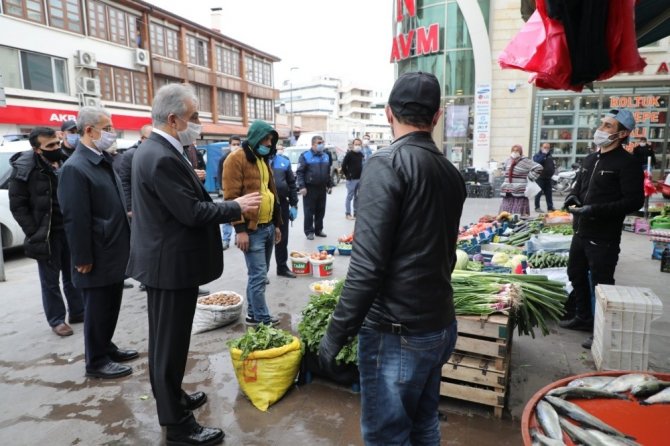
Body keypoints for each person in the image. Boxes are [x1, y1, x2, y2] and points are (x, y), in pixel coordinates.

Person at [318, 72, 466, 445]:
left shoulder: (387, 163)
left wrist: (335, 334)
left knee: (387, 436)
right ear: (436, 117)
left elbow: (367, 266)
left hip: (397, 333)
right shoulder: (450, 172)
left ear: (387, 114)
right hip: (439, 325)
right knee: (423, 424)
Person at [127, 83, 261, 446]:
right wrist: (237, 207)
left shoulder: (159, 149)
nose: (198, 124)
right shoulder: (160, 155)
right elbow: (192, 212)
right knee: (167, 346)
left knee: (168, 342)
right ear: (173, 119)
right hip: (169, 266)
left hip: (167, 263)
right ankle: (177, 425)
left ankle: (174, 398)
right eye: (195, 118)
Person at [57, 106, 138, 379]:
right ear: (89, 130)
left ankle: (106, 346)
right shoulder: (75, 168)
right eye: (107, 128)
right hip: (96, 251)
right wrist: (82, 257)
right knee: (97, 307)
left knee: (110, 304)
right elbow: (75, 218)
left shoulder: (101, 159)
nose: (111, 133)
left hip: (112, 247)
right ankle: (96, 361)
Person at [560, 109, 644, 349]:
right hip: (580, 231)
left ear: (622, 133)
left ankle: (601, 330)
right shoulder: (591, 158)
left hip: (603, 236)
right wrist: (572, 197)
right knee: (575, 274)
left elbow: (633, 201)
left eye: (608, 126)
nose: (601, 129)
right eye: (602, 124)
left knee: (601, 284)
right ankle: (583, 317)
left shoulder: (627, 163)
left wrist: (594, 210)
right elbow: (579, 187)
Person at [8, 127, 84, 337]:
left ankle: (78, 311)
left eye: (57, 143)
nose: (56, 148)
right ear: (37, 149)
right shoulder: (25, 168)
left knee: (74, 274)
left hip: (69, 229)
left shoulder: (65, 161)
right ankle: (57, 320)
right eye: (50, 146)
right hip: (47, 233)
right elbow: (18, 205)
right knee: (50, 281)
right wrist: (34, 231)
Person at [224, 120, 283, 325]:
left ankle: (252, 314)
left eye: (271, 140)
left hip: (267, 226)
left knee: (259, 275)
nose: (268, 143)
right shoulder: (236, 159)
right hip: (252, 230)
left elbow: (270, 192)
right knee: (258, 276)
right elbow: (231, 197)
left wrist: (276, 224)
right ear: (256, 137)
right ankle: (262, 318)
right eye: (266, 139)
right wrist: (240, 230)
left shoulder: (262, 159)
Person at [296, 135, 333, 240]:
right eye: (319, 143)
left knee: (321, 210)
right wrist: (302, 186)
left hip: (321, 188)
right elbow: (300, 172)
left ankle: (318, 230)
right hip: (309, 188)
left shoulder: (325, 156)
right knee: (309, 211)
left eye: (322, 142)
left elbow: (327, 172)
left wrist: (329, 184)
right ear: (313, 144)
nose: (322, 145)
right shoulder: (305, 156)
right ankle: (309, 231)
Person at [271, 143, 299, 278]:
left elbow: (292, 184)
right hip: (264, 206)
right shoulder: (258, 162)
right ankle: (261, 273)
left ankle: (282, 267)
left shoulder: (284, 162)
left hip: (282, 205)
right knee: (264, 240)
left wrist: (294, 204)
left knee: (282, 238)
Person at [115, 123, 153, 215]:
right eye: (151, 138)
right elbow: (124, 181)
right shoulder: (131, 155)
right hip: (138, 205)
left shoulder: (155, 153)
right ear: (143, 139)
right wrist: (129, 207)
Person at [499, 145, 543, 216]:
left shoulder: (525, 161)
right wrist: (505, 175)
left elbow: (539, 167)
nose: (515, 152)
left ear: (520, 152)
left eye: (517, 151)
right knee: (505, 213)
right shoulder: (508, 160)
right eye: (513, 150)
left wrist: (530, 176)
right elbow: (504, 169)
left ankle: (517, 224)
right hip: (507, 191)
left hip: (519, 191)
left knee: (518, 214)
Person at [218, 135, 241, 250]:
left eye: (238, 144)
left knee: (239, 213)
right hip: (227, 191)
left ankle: (238, 236)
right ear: (229, 145)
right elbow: (219, 174)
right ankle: (226, 240)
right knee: (227, 215)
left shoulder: (243, 158)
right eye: (234, 144)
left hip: (240, 192)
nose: (236, 146)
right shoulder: (224, 159)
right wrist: (222, 189)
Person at [341, 138, 364, 220]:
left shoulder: (361, 154)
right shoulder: (349, 154)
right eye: (356, 144)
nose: (357, 146)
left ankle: (356, 213)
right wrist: (348, 175)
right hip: (351, 180)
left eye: (359, 144)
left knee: (357, 197)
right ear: (353, 145)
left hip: (359, 179)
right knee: (349, 196)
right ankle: (348, 213)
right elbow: (343, 166)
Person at [533, 142, 556, 213]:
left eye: (548, 148)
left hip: (548, 178)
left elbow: (552, 165)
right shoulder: (537, 155)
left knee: (549, 194)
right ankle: (537, 207)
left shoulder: (550, 156)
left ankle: (550, 207)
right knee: (538, 193)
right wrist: (543, 154)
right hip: (540, 178)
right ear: (541, 147)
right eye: (545, 147)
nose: (546, 149)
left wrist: (552, 171)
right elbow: (537, 161)